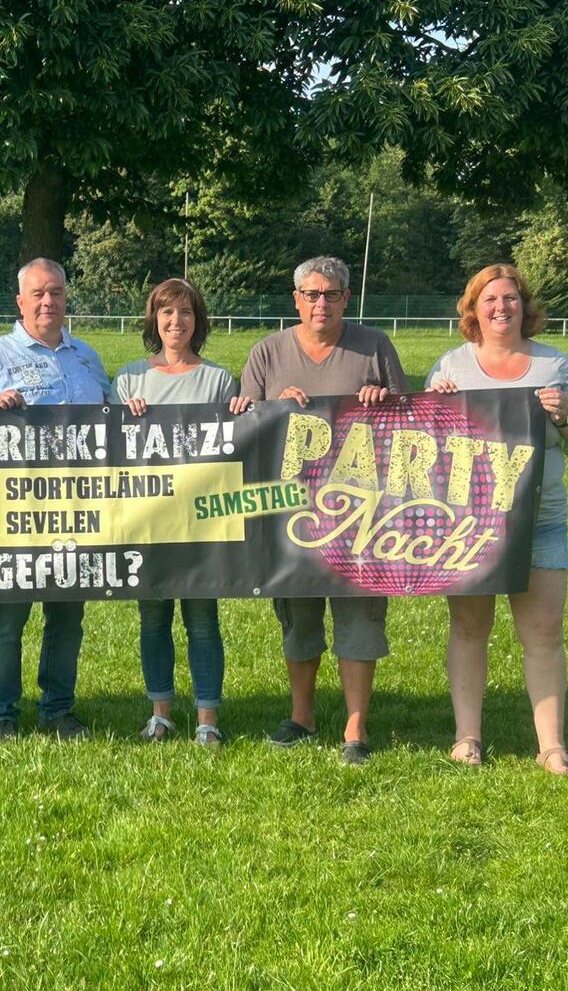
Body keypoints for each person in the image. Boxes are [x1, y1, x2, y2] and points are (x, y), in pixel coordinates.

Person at [427, 264, 568, 776]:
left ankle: (551, 746)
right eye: (490, 300)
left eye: (510, 299)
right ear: (473, 310)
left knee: (544, 631)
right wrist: (435, 409)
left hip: (538, 521)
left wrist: (565, 412)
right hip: (468, 523)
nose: (501, 308)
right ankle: (467, 738)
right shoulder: (452, 367)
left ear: (525, 306)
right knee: (469, 627)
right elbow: (422, 447)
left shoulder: (554, 365)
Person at [237, 256, 408, 765]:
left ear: (346, 297)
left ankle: (356, 728)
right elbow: (242, 426)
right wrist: (273, 406)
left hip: (363, 514)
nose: (321, 303)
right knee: (299, 617)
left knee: (359, 617)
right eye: (311, 294)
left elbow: (415, 422)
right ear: (296, 299)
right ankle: (302, 715)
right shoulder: (267, 353)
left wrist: (384, 400)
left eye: (331, 294)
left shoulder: (373, 346)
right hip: (291, 513)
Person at [0, 257, 113, 741]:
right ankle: (0, 714)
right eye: (39, 294)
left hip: (78, 509)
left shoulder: (87, 357)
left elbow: (113, 426)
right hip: (13, 511)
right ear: (20, 301)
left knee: (67, 617)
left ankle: (58, 709)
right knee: (7, 616)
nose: (49, 302)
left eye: (57, 293)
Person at [115, 278, 238, 746]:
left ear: (197, 321)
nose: (175, 322)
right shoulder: (128, 379)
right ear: (154, 319)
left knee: (203, 621)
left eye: (185, 313)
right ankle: (161, 713)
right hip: (147, 519)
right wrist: (122, 414)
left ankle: (207, 719)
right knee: (153, 618)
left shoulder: (219, 380)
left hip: (202, 521)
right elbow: (110, 447)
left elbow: (237, 444)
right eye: (166, 313)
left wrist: (242, 411)